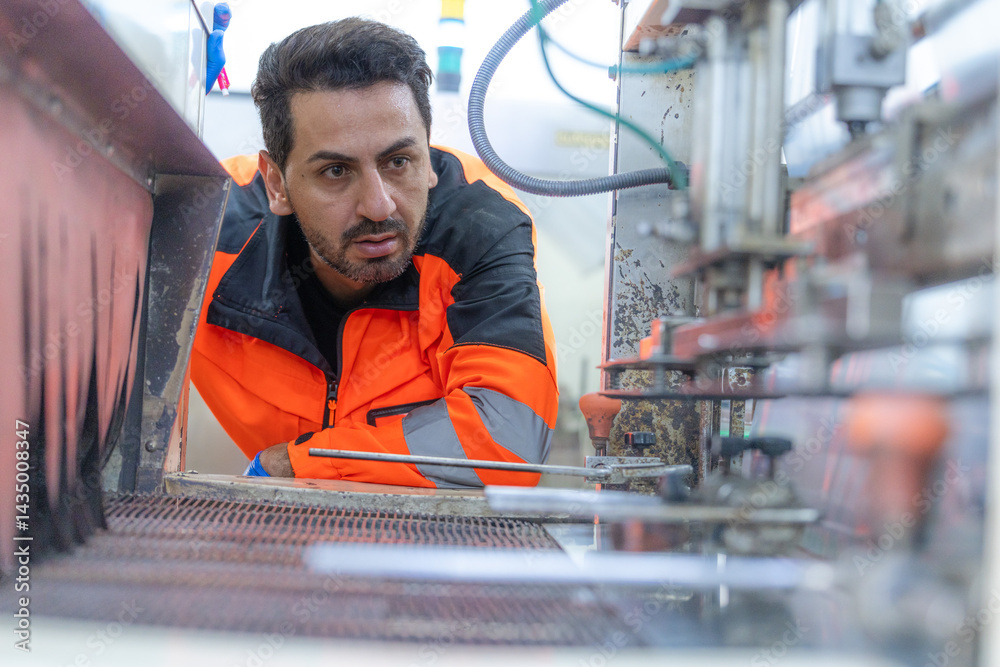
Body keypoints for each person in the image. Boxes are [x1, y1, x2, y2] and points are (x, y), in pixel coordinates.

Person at [191, 18, 559, 487]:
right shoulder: (205, 232)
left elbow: (507, 441)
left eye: (398, 162)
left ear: (427, 159)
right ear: (276, 184)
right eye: (336, 171)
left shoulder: (480, 227)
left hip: (436, 540)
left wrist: (297, 463)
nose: (379, 204)